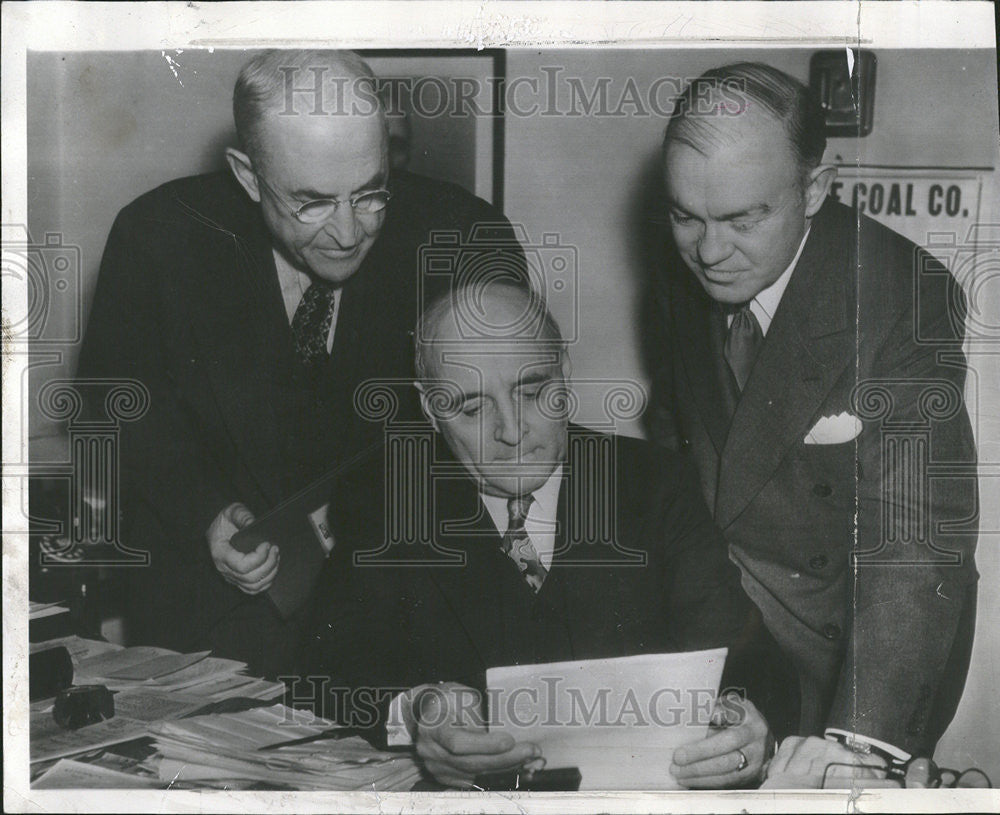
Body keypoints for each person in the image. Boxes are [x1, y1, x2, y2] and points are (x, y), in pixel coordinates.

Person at [76, 50, 524, 677]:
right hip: (210, 629)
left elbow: (512, 438)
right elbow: (113, 408)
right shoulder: (157, 238)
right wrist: (204, 512)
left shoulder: (464, 238)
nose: (347, 231)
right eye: (312, 202)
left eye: (371, 193)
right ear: (249, 175)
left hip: (403, 628)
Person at [305, 281, 800, 789]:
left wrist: (748, 729)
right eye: (473, 409)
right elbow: (322, 678)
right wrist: (418, 710)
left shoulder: (653, 485)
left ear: (565, 375)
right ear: (430, 411)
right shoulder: (386, 504)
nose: (512, 430)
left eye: (533, 391)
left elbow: (753, 665)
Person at [646, 62, 978, 767]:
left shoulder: (902, 296)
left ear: (817, 189)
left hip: (849, 659)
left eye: (742, 219)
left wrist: (860, 743)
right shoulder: (683, 280)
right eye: (685, 216)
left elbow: (915, 538)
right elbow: (680, 466)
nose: (707, 252)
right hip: (723, 638)